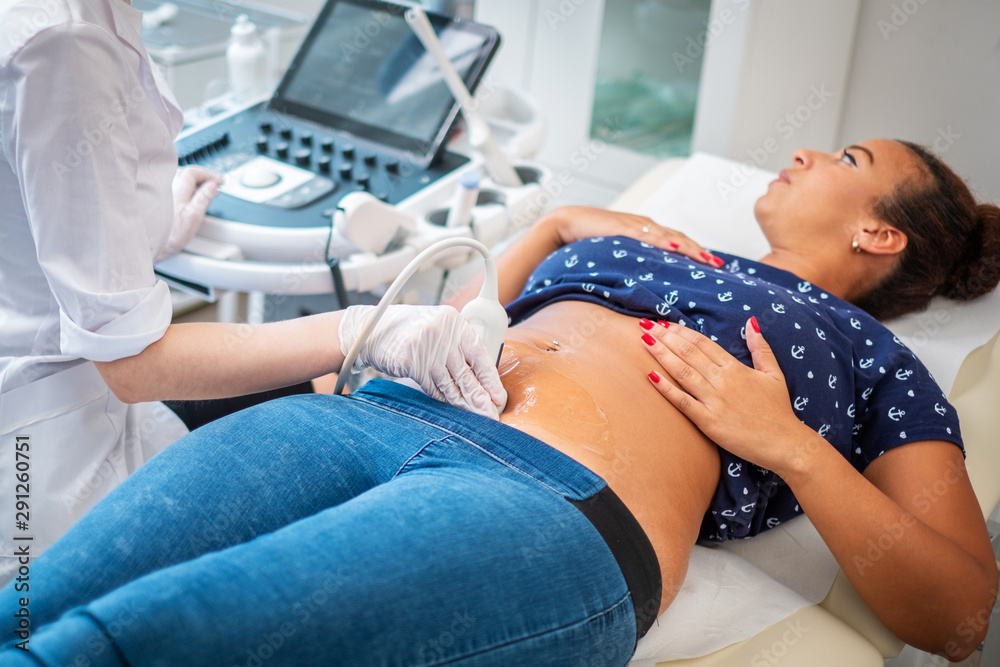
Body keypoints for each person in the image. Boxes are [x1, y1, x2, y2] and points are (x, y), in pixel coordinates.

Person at [2, 139, 998, 666]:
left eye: (848, 161)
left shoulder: (875, 358)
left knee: (108, 646)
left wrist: (788, 445)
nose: (809, 154)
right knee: (30, 607)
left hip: (551, 505)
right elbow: (449, 327)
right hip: (364, 415)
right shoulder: (654, 243)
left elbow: (959, 618)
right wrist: (555, 226)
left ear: (880, 235)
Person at [0, 0, 503, 587]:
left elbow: (36, 210)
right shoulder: (63, 45)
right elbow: (133, 367)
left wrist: (139, 227)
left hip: (86, 399)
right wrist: (360, 330)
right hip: (41, 455)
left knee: (298, 400)